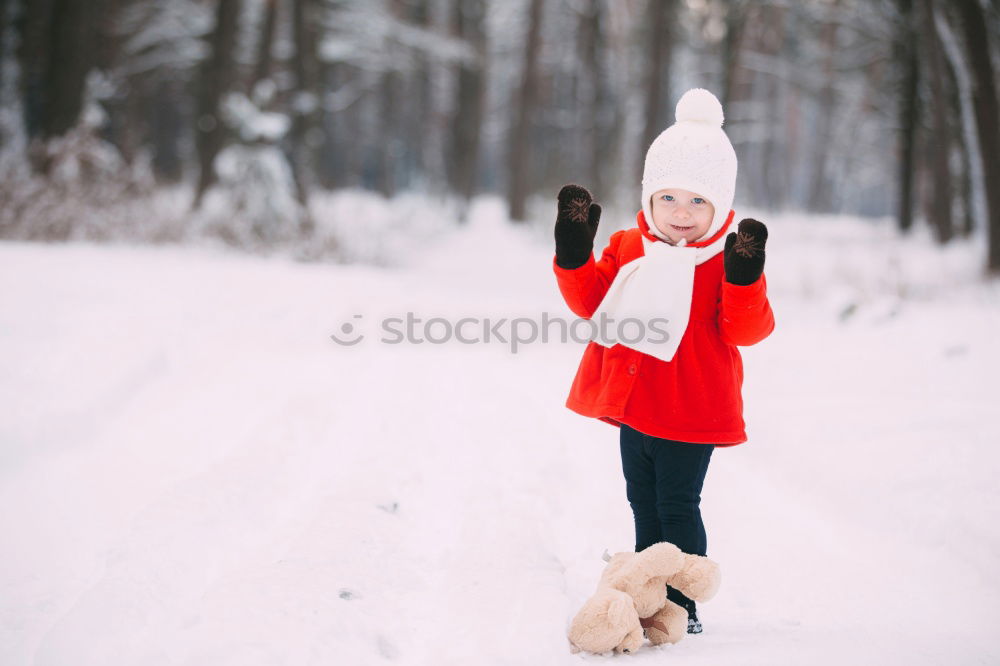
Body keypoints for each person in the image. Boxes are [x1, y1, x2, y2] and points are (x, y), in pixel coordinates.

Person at [552, 88, 775, 635]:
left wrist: (744, 278)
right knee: (641, 502)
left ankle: (683, 603)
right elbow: (591, 303)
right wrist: (576, 254)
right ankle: (649, 594)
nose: (681, 214)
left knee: (677, 507)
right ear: (649, 197)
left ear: (720, 206)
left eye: (698, 202)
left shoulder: (722, 260)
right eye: (669, 198)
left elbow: (746, 330)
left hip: (690, 410)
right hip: (635, 407)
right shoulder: (629, 244)